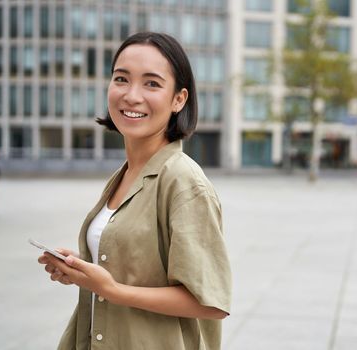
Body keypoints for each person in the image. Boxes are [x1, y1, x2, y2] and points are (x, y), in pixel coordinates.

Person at [37, 32, 232, 350]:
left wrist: (112, 289)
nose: (131, 95)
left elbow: (210, 302)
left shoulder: (185, 184)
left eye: (152, 83)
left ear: (178, 99)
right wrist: (83, 270)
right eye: (121, 79)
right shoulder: (124, 174)